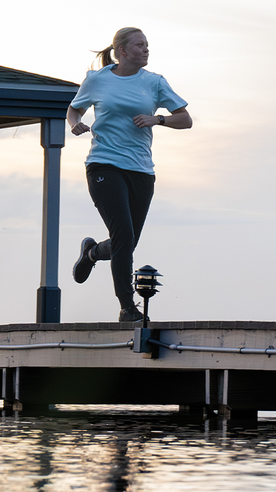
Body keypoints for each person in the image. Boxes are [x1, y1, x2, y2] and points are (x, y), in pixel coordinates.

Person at [67, 27, 192, 322]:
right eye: (139, 45)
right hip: (104, 165)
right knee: (123, 234)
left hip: (141, 170)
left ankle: (92, 253)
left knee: (128, 242)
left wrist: (158, 119)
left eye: (147, 45)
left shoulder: (155, 82)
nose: (146, 49)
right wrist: (74, 124)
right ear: (122, 51)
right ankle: (127, 307)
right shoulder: (97, 80)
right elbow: (74, 110)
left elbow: (185, 119)